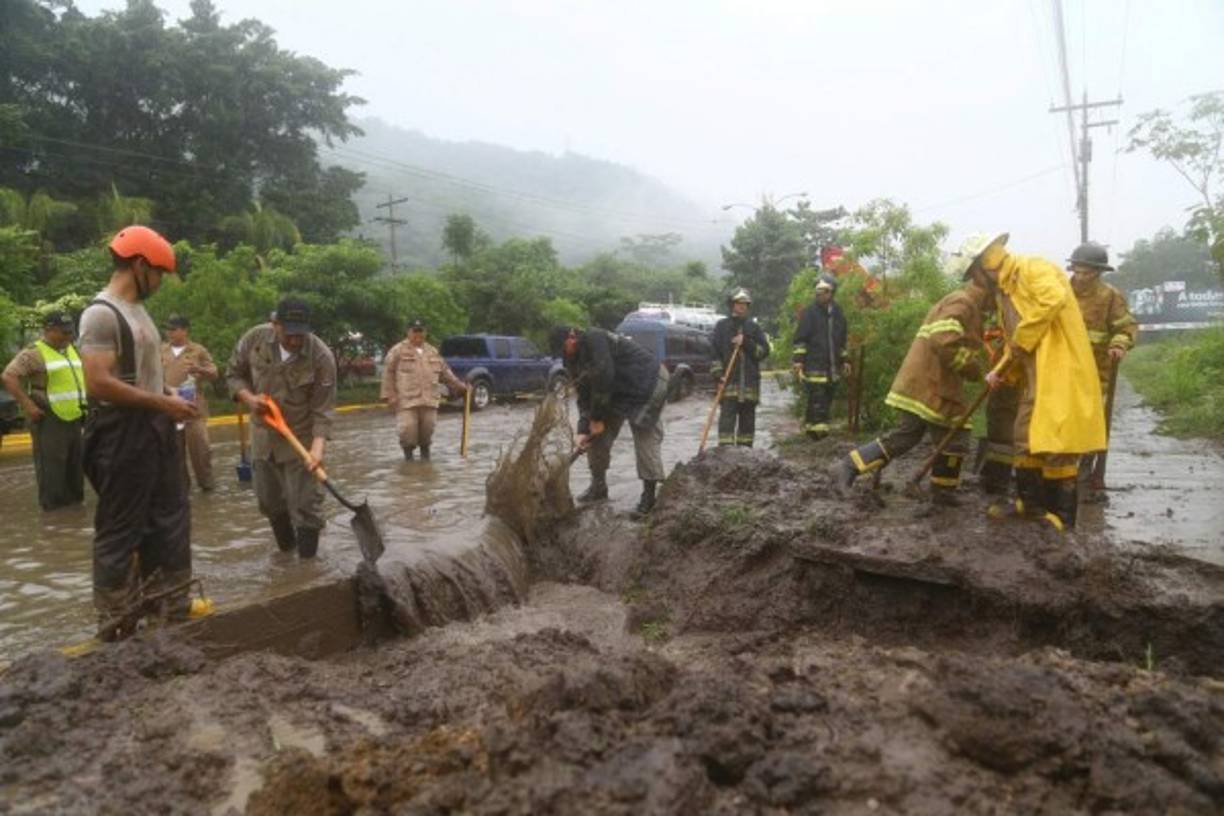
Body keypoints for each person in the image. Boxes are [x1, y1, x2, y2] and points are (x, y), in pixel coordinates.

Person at [78, 226, 199, 639]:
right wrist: (162, 402)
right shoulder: (101, 313)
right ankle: (117, 624)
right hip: (120, 433)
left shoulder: (139, 312)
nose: (160, 283)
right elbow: (98, 383)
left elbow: (142, 375)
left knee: (170, 517)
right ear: (140, 265)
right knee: (120, 527)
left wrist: (165, 393)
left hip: (153, 426)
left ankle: (171, 609)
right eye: (159, 274)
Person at [955, 233, 1106, 530]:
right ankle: (1031, 507)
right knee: (1024, 436)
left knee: (1057, 443)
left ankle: (1061, 518)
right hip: (1033, 375)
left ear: (987, 262)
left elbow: (1052, 299)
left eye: (974, 274)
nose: (974, 281)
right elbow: (1015, 342)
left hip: (1059, 371)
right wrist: (1000, 370)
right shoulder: (1005, 293)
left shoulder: (1033, 269)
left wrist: (1021, 343)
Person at [830, 273, 992, 506]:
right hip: (932, 383)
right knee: (954, 437)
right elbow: (942, 339)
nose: (997, 301)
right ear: (985, 285)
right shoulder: (964, 303)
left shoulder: (962, 301)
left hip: (925, 381)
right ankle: (942, 493)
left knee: (907, 436)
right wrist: (975, 369)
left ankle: (849, 466)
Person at [228, 298, 337, 558]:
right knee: (269, 502)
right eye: (289, 334)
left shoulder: (321, 357)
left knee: (306, 505)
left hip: (300, 437)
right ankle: (287, 556)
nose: (296, 341)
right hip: (263, 436)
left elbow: (323, 411)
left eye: (301, 334)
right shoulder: (254, 339)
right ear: (274, 324)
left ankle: (308, 570)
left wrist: (317, 450)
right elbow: (233, 374)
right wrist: (249, 398)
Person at [551, 325, 669, 518]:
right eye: (562, 351)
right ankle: (598, 487)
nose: (567, 350)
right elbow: (583, 396)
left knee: (644, 434)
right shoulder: (571, 360)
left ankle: (649, 496)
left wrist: (597, 418)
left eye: (566, 346)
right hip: (616, 391)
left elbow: (604, 375)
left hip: (648, 383)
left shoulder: (594, 338)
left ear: (571, 337)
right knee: (596, 438)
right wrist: (583, 428)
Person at [1068, 242, 1138, 499]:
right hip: (1063, 370)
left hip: (1097, 372)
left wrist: (1119, 344)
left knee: (1090, 419)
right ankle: (1061, 464)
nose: (1082, 277)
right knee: (1063, 417)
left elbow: (1125, 326)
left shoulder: (1110, 296)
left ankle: (1085, 467)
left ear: (1099, 272)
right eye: (1078, 271)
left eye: (1088, 273)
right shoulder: (1060, 293)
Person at [2, 311, 86, 511]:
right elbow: (9, 376)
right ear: (48, 330)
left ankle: (73, 518)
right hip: (48, 419)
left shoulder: (71, 350)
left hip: (74, 417)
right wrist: (28, 406)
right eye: (63, 333)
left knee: (75, 473)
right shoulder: (33, 353)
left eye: (70, 332)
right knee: (53, 474)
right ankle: (53, 518)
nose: (68, 337)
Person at [380, 318, 467, 460]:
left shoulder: (432, 351)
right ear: (408, 332)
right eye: (415, 331)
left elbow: (445, 372)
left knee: (428, 430)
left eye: (421, 332)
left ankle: (425, 459)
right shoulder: (397, 351)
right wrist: (390, 395)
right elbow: (388, 373)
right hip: (407, 400)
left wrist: (460, 386)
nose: (418, 335)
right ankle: (409, 460)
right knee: (407, 430)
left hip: (430, 400)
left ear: (425, 332)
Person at [161, 314, 219, 491]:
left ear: (185, 330)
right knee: (174, 454)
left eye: (173, 329)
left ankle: (207, 487)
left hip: (194, 409)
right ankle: (181, 491)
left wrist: (198, 369)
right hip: (170, 409)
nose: (169, 332)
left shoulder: (198, 350)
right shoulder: (160, 350)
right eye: (168, 329)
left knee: (201, 451)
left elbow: (214, 373)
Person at [710, 288, 771, 447]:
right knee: (726, 420)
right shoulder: (722, 327)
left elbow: (763, 352)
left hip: (750, 385)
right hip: (729, 382)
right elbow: (714, 353)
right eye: (739, 303)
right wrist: (718, 375)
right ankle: (725, 452)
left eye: (745, 304)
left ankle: (746, 454)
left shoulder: (754, 328)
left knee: (748, 422)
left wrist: (746, 343)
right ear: (732, 305)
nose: (742, 307)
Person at [792, 273, 849, 439]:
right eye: (818, 292)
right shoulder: (810, 313)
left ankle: (811, 429)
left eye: (824, 292)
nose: (820, 295)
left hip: (832, 367)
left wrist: (845, 360)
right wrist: (799, 362)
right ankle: (819, 435)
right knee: (818, 398)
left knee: (827, 397)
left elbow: (841, 340)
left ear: (831, 293)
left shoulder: (838, 314)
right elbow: (800, 339)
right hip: (815, 366)